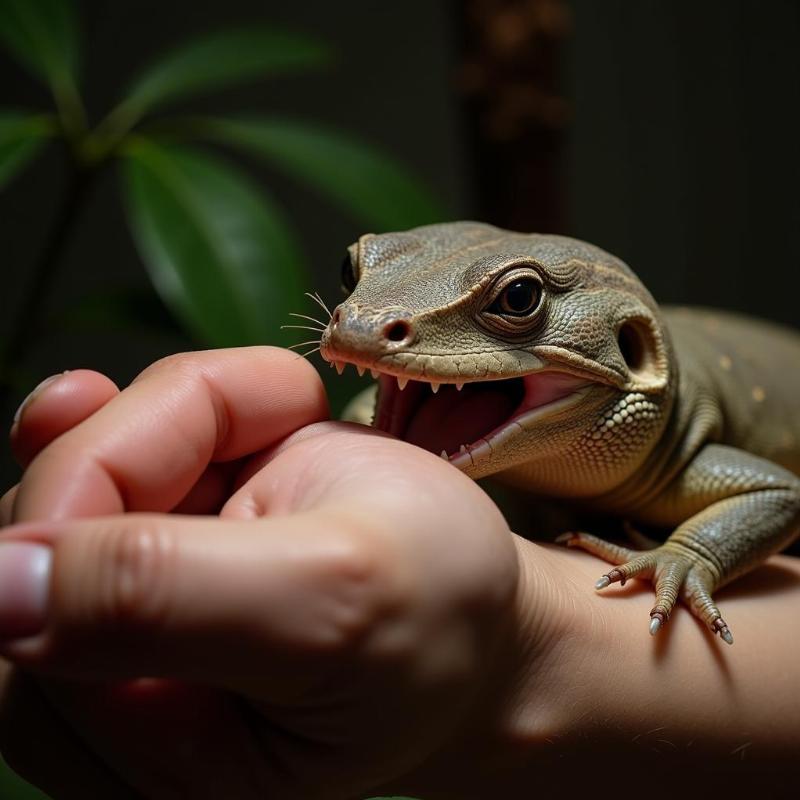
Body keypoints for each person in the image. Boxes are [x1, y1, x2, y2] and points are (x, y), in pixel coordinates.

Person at [0, 347, 797, 800]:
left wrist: (689, 556)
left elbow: (775, 493)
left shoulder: (681, 455)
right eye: (356, 278)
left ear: (631, 348)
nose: (374, 324)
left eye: (515, 303)